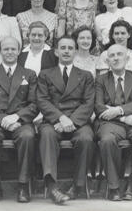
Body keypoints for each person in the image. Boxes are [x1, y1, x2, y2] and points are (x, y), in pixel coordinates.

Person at [37, 36, 95, 204]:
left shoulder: (85, 75)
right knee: (47, 135)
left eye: (70, 48)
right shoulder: (45, 74)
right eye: (63, 48)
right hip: (53, 120)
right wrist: (61, 118)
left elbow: (88, 102)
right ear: (56, 52)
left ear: (76, 52)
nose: (67, 51)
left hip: (78, 121)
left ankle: (78, 185)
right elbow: (42, 100)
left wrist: (72, 121)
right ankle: (52, 186)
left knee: (86, 138)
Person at [0, 37, 37, 203]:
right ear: (0, 51)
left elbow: (34, 104)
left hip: (21, 120)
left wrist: (17, 117)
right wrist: (4, 119)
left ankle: (23, 184)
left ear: (19, 51)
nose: (10, 52)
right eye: (6, 49)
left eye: (13, 49)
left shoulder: (29, 74)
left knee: (28, 136)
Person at [95, 44, 132, 201]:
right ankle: (114, 187)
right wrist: (122, 116)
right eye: (112, 56)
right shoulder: (100, 79)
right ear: (107, 61)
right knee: (107, 140)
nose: (116, 58)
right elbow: (98, 106)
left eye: (119, 54)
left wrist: (118, 109)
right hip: (112, 123)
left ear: (127, 58)